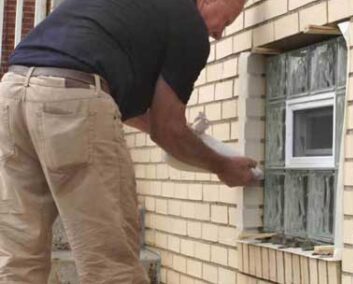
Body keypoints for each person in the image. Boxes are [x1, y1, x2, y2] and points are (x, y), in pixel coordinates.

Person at [0, 0, 255, 283]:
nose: (220, 34)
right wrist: (222, 166)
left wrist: (184, 137)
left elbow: (140, 116)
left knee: (19, 257)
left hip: (11, 95)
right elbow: (167, 128)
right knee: (110, 263)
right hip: (73, 96)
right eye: (228, 21)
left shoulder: (139, 13)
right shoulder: (189, 23)